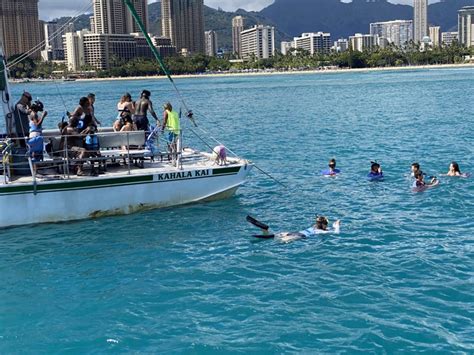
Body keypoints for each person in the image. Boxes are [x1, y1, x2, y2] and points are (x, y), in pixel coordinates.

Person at [247, 215, 341, 243]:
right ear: (323, 225)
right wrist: (337, 227)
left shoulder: (314, 227)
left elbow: (326, 228)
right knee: (279, 241)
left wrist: (332, 226)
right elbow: (336, 233)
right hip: (301, 236)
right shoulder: (320, 231)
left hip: (296, 232)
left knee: (273, 236)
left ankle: (265, 230)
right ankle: (264, 233)